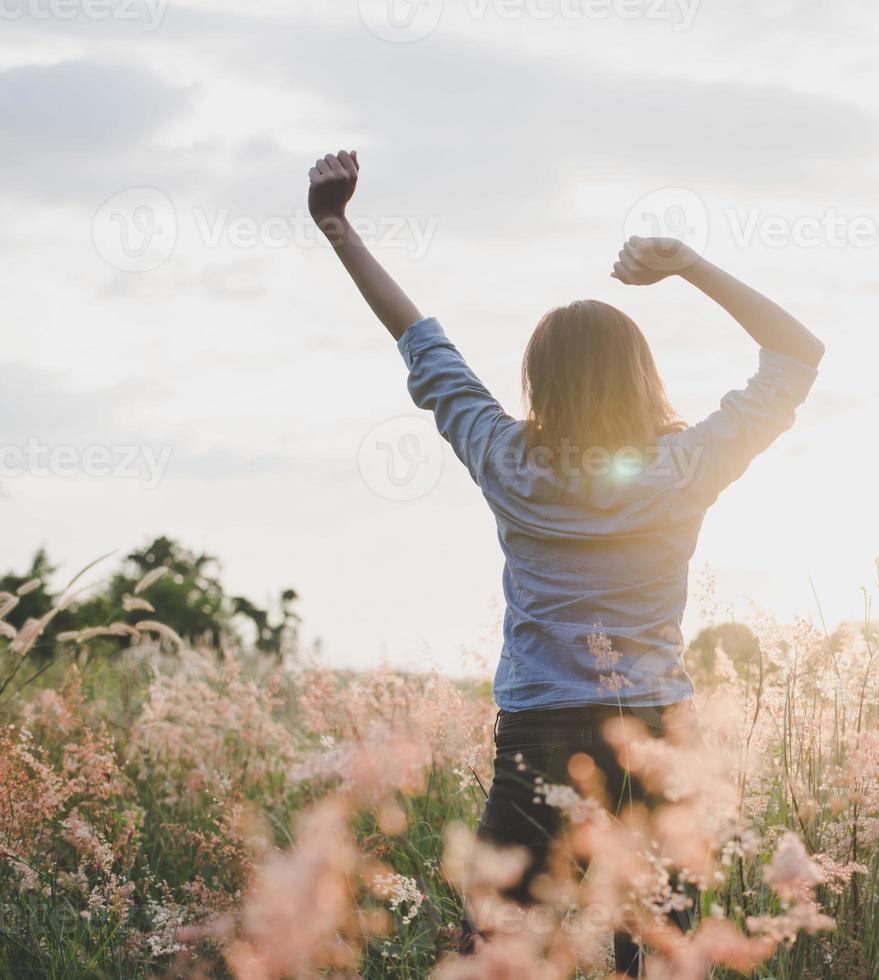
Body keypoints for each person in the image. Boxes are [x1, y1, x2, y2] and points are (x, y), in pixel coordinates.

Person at [306, 150, 824, 975]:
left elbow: (419, 340)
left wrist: (337, 227)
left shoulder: (507, 461)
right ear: (641, 375)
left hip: (537, 737)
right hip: (655, 732)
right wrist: (685, 263)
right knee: (660, 956)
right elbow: (797, 354)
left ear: (537, 382)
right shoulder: (684, 468)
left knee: (497, 954)